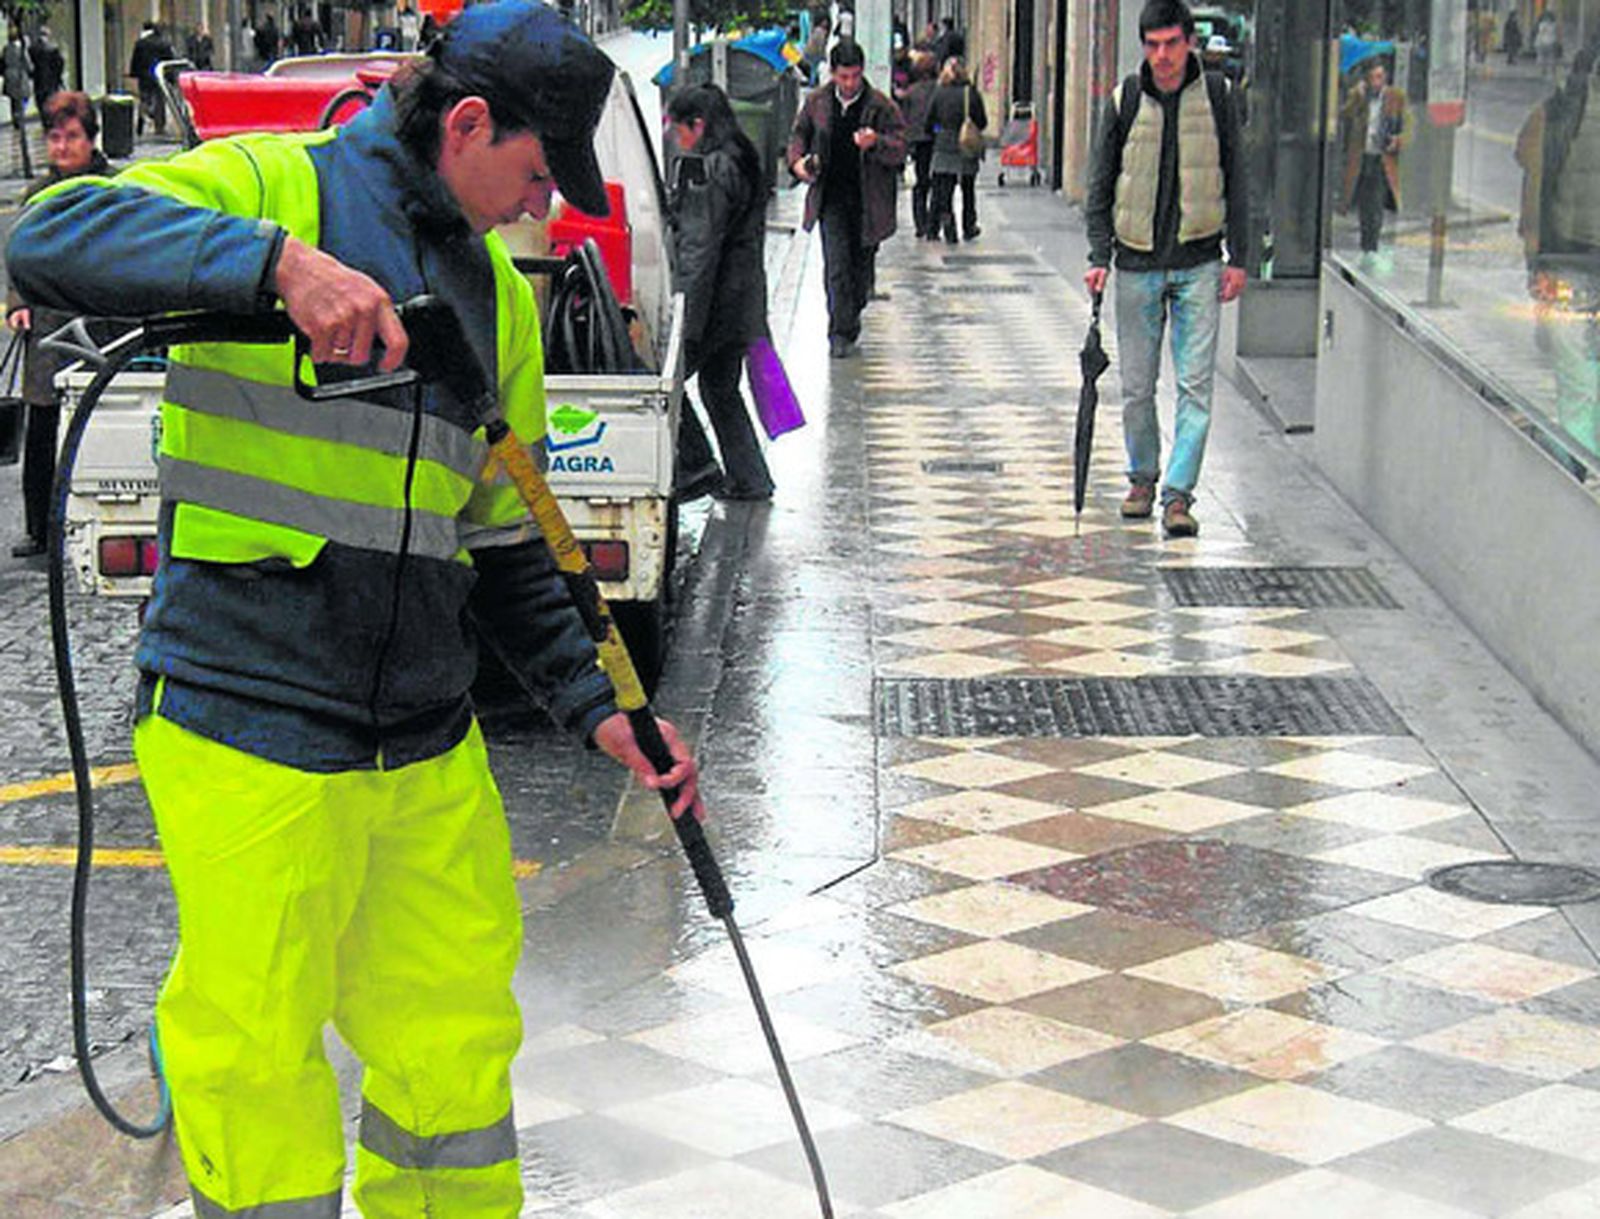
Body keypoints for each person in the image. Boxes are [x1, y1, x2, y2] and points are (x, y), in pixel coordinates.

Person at [6, 3, 702, 1214]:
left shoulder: (500, 301)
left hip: (423, 739)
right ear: (467, 124)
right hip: (249, 718)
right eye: (537, 172)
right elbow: (52, 233)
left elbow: (510, 544)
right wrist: (277, 267)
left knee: (452, 1041)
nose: (543, 204)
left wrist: (601, 706)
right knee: (258, 1051)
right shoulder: (276, 187)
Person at [1083, 0, 1248, 539]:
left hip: (1199, 260)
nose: (1163, 55)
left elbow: (1239, 178)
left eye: (1172, 43)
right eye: (1153, 45)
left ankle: (1178, 495)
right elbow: (1099, 183)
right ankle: (1142, 478)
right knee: (1136, 386)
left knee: (1195, 386)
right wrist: (1098, 256)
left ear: (1189, 43)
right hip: (1136, 261)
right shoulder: (1126, 99)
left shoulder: (1218, 96)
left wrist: (1240, 257)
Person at [5, 92, 113, 559]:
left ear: (91, 140)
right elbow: (18, 257)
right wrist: (17, 304)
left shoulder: (114, 189)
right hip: (49, 327)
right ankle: (39, 529)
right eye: (54, 138)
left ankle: (99, 519)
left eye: (71, 137)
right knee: (43, 429)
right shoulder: (37, 195)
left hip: (102, 325)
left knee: (98, 422)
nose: (62, 147)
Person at [668, 84, 776, 501]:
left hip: (716, 304)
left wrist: (685, 318)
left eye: (678, 128)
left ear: (698, 125)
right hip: (741, 298)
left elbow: (699, 248)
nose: (675, 138)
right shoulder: (741, 156)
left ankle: (697, 465)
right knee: (720, 388)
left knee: (669, 384)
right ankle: (750, 477)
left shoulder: (711, 170)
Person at [787, 38, 907, 359]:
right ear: (832, 73)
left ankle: (851, 315)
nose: (850, 83)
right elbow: (799, 135)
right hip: (831, 198)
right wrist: (798, 163)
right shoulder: (817, 102)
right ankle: (839, 332)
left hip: (869, 201)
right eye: (843, 77)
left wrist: (876, 142)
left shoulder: (880, 105)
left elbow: (900, 146)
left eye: (854, 76)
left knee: (860, 272)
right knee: (836, 266)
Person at [1516, 48, 1600, 463]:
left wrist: (1535, 257)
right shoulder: (1557, 113)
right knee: (1580, 370)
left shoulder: (1555, 112)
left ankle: (1577, 460)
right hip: (1570, 258)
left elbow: (1527, 163)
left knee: (1576, 374)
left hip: (1566, 256)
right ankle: (1580, 455)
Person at [1341, 58, 1409, 264]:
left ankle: (1372, 244)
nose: (1376, 82)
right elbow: (1344, 115)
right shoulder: (1359, 97)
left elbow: (1408, 127)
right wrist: (1356, 96)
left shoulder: (1395, 97)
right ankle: (1366, 243)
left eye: (1379, 77)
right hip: (1363, 156)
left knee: (1376, 203)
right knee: (1364, 203)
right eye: (1372, 78)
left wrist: (1398, 140)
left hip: (1382, 157)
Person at [924, 54, 986, 243]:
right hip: (966, 145)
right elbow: (982, 121)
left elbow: (929, 122)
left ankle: (945, 226)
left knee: (943, 190)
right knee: (968, 189)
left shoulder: (939, 93)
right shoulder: (971, 93)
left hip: (944, 145)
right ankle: (969, 226)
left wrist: (938, 131)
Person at [900, 50, 938, 239]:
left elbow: (904, 119)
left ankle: (920, 222)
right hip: (935, 140)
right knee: (937, 182)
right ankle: (933, 222)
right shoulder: (939, 90)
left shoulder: (911, 93)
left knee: (921, 182)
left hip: (917, 141)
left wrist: (906, 143)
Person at [129, 21, 173, 135]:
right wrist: (170, 78)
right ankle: (159, 126)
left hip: (144, 76)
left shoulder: (140, 43)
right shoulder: (164, 43)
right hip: (159, 76)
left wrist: (134, 74)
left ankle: (141, 121)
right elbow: (169, 61)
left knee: (144, 99)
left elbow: (136, 61)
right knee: (160, 101)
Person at [3, 26, 32, 177]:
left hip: (10, 77)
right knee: (23, 98)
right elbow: (28, 65)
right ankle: (20, 117)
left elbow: (2, 64)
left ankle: (16, 117)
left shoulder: (6, 49)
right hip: (20, 78)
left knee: (14, 100)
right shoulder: (22, 49)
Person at [29, 26, 63, 107]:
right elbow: (60, 64)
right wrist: (58, 76)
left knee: (40, 102)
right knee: (51, 103)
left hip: (38, 80)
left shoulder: (33, 48)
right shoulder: (53, 48)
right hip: (51, 80)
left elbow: (29, 64)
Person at [1536, 9, 1561, 78]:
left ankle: (1544, 70)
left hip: (1544, 42)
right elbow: (1558, 34)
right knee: (1551, 58)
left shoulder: (1542, 25)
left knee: (1544, 58)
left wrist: (1538, 42)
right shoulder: (1554, 25)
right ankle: (1552, 71)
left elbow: (1541, 34)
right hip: (1551, 42)